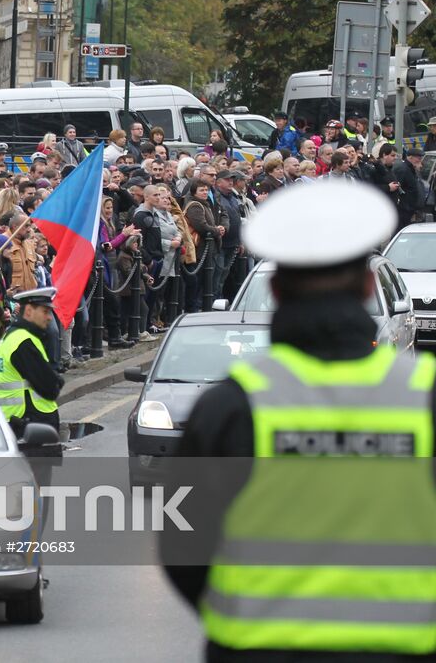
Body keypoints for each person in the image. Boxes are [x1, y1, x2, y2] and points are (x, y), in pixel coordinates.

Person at [163, 180, 436, 661]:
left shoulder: (231, 406)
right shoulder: (422, 396)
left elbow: (183, 542)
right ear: (370, 284)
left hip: (261, 648)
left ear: (275, 288)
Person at [0, 287, 64, 437]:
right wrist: (57, 380)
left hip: (17, 421)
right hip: (31, 424)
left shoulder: (13, 335)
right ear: (29, 312)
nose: (49, 317)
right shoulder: (23, 342)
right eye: (45, 311)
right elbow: (50, 388)